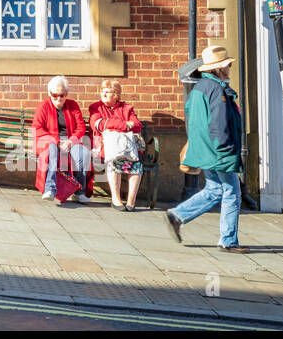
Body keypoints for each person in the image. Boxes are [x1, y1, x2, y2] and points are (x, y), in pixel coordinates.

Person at [164, 45, 248, 252]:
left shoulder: (199, 89)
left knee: (214, 189)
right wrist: (227, 148)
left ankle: (178, 215)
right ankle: (228, 241)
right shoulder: (217, 90)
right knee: (232, 193)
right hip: (219, 151)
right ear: (219, 69)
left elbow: (194, 120)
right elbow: (219, 124)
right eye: (227, 65)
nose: (229, 68)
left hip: (205, 149)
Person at [88, 79, 145, 211]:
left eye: (108, 92)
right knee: (113, 159)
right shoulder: (95, 107)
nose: (104, 94)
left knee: (137, 163)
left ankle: (131, 201)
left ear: (116, 95)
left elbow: (137, 126)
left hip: (127, 147)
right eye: (102, 91)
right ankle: (116, 198)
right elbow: (97, 124)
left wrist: (111, 125)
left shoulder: (127, 108)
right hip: (105, 145)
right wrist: (123, 125)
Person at [33, 75, 92, 204]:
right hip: (49, 141)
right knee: (52, 148)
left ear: (66, 94)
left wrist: (71, 141)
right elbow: (37, 128)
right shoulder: (43, 106)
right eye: (55, 95)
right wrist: (57, 141)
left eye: (62, 95)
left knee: (84, 154)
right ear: (49, 93)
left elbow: (81, 127)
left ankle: (79, 192)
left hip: (70, 141)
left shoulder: (73, 105)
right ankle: (50, 189)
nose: (59, 98)